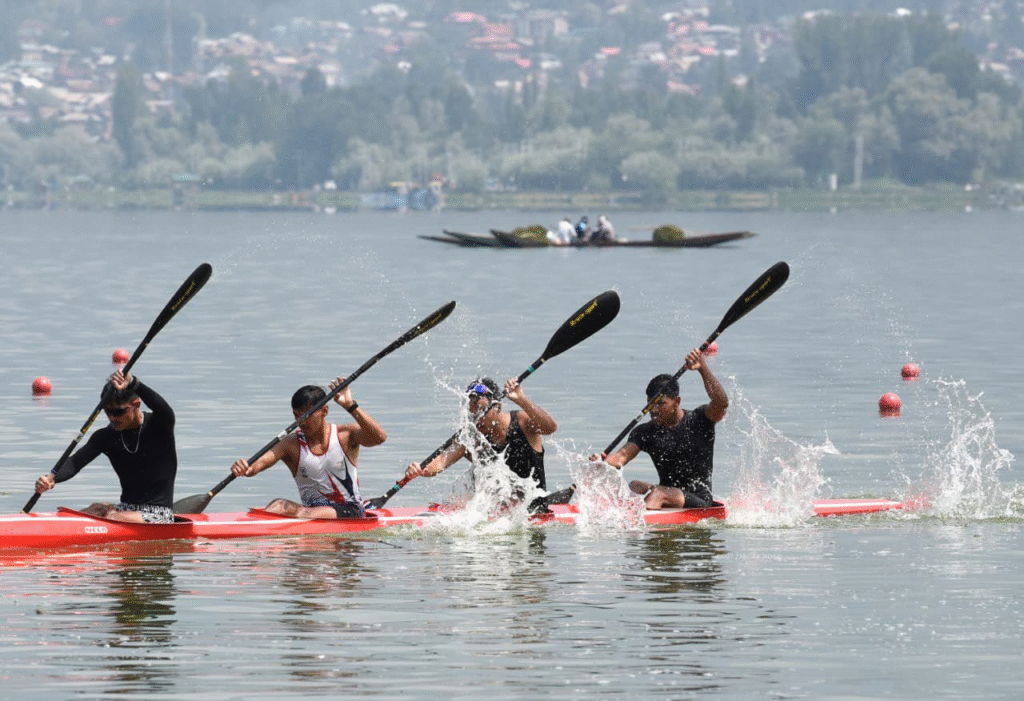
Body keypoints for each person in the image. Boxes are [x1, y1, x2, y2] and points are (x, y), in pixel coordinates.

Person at [33, 370, 178, 523]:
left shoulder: (159, 426)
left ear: (136, 405)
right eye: (108, 411)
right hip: (126, 509)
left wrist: (135, 383)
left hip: (159, 515)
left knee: (111, 516)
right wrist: (52, 478)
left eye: (119, 411)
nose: (113, 417)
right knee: (97, 508)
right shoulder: (105, 436)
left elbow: (163, 408)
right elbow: (75, 462)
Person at [230, 377, 386, 518]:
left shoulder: (345, 435)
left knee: (304, 513)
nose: (301, 421)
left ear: (324, 411)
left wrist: (350, 405)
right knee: (277, 505)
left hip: (350, 512)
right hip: (311, 513)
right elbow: (259, 463)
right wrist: (246, 467)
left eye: (306, 415)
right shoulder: (290, 444)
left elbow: (380, 437)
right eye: (296, 415)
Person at [592, 348, 728, 509]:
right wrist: (602, 464)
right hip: (666, 492)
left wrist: (703, 368)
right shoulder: (645, 431)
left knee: (658, 493)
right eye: (650, 403)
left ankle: (638, 527)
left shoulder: (700, 420)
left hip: (700, 500)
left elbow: (721, 403)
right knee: (634, 486)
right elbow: (621, 456)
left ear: (676, 401)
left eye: (661, 404)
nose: (654, 410)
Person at [404, 377, 558, 495]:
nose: (475, 418)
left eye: (479, 410)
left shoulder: (522, 422)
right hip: (497, 515)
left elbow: (550, 427)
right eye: (471, 412)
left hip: (532, 510)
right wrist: (420, 469)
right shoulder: (472, 438)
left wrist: (521, 400)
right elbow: (440, 462)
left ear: (497, 407)